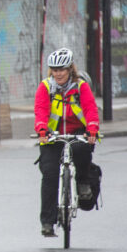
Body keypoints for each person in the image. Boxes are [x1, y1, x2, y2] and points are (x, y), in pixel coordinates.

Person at [35, 47, 100, 238]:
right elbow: (40, 110)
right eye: (55, 70)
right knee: (49, 173)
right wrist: (41, 129)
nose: (58, 73)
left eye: (62, 69)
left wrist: (92, 130)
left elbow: (90, 109)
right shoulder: (45, 87)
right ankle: (47, 222)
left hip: (77, 134)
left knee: (82, 152)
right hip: (52, 135)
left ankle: (82, 182)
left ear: (70, 69)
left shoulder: (81, 87)